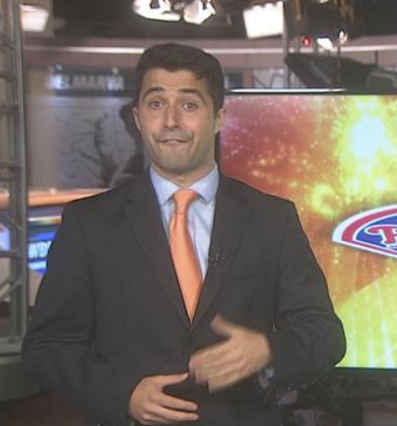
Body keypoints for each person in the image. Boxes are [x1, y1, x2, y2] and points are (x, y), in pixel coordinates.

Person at [22, 43, 346, 426]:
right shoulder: (88, 223)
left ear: (219, 118)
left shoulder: (271, 218)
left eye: (189, 105)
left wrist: (268, 350)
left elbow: (326, 335)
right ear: (138, 117)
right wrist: (123, 394)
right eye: (156, 103)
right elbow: (46, 346)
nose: (171, 120)